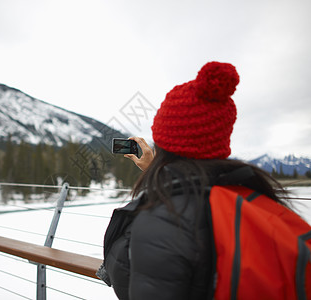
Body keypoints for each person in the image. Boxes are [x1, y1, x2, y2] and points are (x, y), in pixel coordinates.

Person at [98, 62, 295, 299]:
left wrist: (155, 174)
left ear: (164, 144)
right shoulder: (254, 200)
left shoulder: (163, 223)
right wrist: (154, 171)